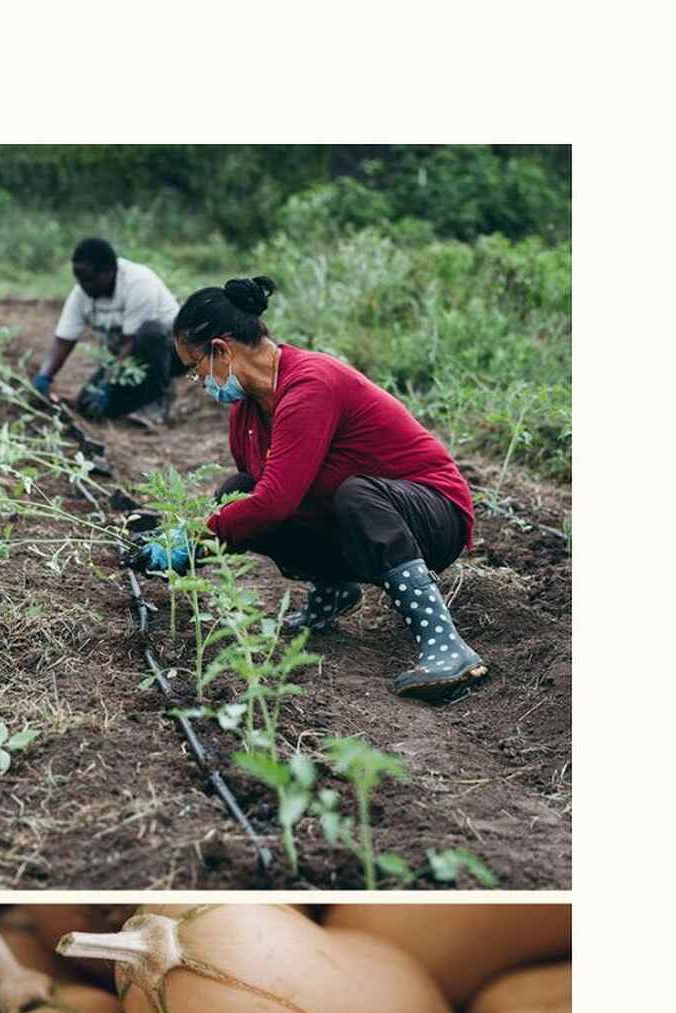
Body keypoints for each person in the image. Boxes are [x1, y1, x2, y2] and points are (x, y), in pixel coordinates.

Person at [170, 276, 489, 702]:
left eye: (196, 368)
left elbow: (276, 501)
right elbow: (260, 498)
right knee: (240, 489)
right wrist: (204, 535)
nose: (201, 380)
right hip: (361, 521)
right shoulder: (246, 414)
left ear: (222, 349)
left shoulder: (309, 384)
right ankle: (334, 590)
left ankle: (447, 646)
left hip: (432, 513)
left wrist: (193, 542)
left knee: (352, 495)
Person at [31, 237, 181, 422]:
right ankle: (134, 403)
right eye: (79, 279)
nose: (83, 286)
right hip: (126, 357)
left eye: (89, 280)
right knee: (88, 405)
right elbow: (64, 340)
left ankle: (157, 399)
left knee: (151, 333)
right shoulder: (82, 293)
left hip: (173, 353)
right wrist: (44, 377)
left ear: (109, 272)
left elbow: (131, 343)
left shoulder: (139, 283)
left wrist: (106, 385)